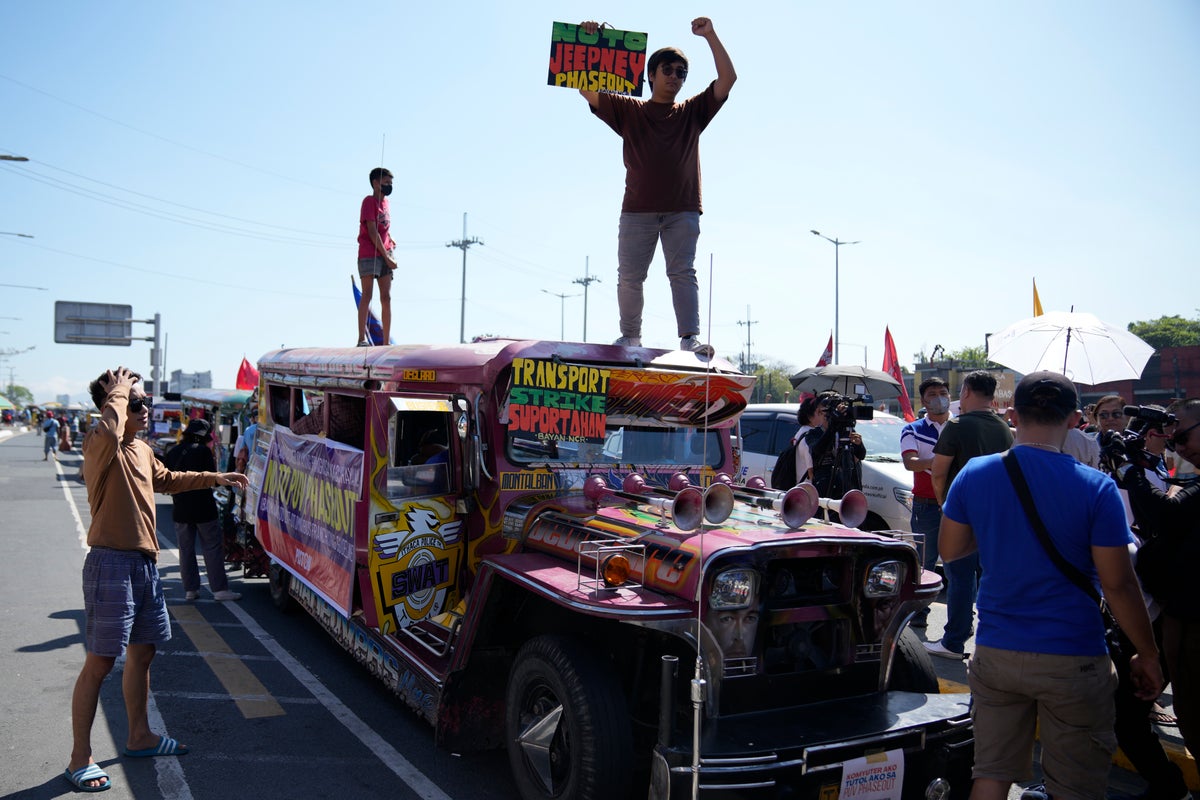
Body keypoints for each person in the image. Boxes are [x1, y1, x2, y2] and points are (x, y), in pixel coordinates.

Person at [939, 371, 1163, 800]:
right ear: (1077, 419)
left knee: (990, 773)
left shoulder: (975, 474)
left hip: (996, 651)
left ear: (1011, 415)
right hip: (1074, 657)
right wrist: (1148, 653)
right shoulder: (1096, 487)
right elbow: (1118, 584)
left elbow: (951, 551)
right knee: (1075, 785)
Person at [64, 367, 247, 792]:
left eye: (144, 401)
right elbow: (111, 433)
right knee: (100, 662)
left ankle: (139, 736)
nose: (145, 409)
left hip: (144, 566)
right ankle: (79, 756)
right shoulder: (99, 443)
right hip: (111, 563)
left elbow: (167, 480)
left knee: (143, 654)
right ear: (116, 405)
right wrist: (119, 390)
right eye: (137, 402)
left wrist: (215, 478)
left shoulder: (143, 450)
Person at [579, 17, 735, 353]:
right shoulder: (629, 110)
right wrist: (589, 40)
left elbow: (727, 79)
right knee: (630, 278)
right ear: (651, 74)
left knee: (682, 273)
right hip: (637, 211)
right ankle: (631, 336)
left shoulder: (693, 112)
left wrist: (710, 36)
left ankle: (689, 339)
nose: (676, 77)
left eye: (682, 72)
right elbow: (586, 87)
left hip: (682, 210)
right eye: (669, 69)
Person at [1118, 398, 1200, 764]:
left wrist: (1130, 469)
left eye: (1182, 436)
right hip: (1178, 615)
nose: (1178, 447)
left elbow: (1166, 515)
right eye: (1172, 440)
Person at [927, 370, 1013, 659]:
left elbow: (938, 473)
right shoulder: (1004, 428)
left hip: (962, 515)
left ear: (965, 392)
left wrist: (943, 505)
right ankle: (991, 640)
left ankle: (954, 641)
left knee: (961, 577)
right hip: (997, 516)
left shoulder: (958, 425)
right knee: (989, 578)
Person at [164, 419, 241, 602]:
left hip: (181, 508)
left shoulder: (173, 451)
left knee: (186, 549)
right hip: (204, 508)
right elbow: (213, 477)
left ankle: (190, 589)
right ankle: (219, 590)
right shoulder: (203, 451)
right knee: (212, 547)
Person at [900, 377, 952, 628]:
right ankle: (919, 613)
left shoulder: (960, 427)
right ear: (924, 400)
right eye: (933, 393)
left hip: (957, 504)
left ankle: (962, 618)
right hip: (926, 505)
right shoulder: (913, 429)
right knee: (925, 562)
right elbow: (910, 462)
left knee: (958, 565)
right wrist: (941, 462)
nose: (939, 397)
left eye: (943, 392)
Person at [356, 166, 396, 347]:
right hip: (369, 253)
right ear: (375, 183)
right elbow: (373, 232)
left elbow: (384, 229)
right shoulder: (369, 202)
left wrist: (391, 242)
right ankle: (361, 338)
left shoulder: (386, 203)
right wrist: (386, 258)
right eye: (386, 182)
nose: (389, 186)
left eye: (390, 183)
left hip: (385, 251)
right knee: (367, 294)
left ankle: (386, 342)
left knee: (386, 297)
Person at [809, 392, 866, 501]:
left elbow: (861, 455)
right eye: (825, 413)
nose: (827, 417)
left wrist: (859, 444)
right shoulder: (814, 434)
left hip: (848, 488)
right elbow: (818, 450)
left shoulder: (847, 431)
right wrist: (833, 427)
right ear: (819, 413)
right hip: (826, 491)